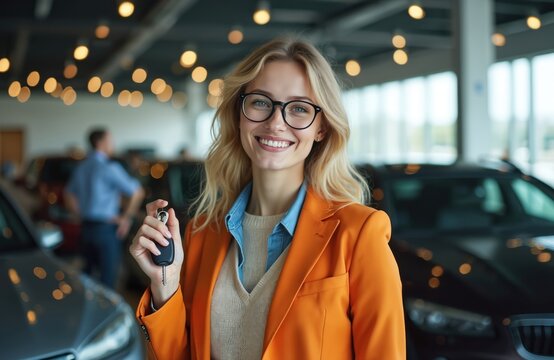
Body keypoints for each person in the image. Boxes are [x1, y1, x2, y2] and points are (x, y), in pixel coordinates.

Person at [130, 38, 405, 359]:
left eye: (300, 108)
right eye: (261, 102)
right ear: (240, 113)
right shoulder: (201, 235)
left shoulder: (358, 234)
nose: (276, 122)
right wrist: (166, 285)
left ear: (322, 128)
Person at [66, 128, 144, 289]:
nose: (113, 143)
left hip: (85, 227)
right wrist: (126, 218)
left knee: (87, 278)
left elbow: (68, 194)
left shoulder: (81, 167)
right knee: (108, 279)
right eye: (111, 139)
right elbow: (137, 192)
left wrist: (79, 213)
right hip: (105, 229)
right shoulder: (109, 167)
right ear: (100, 143)